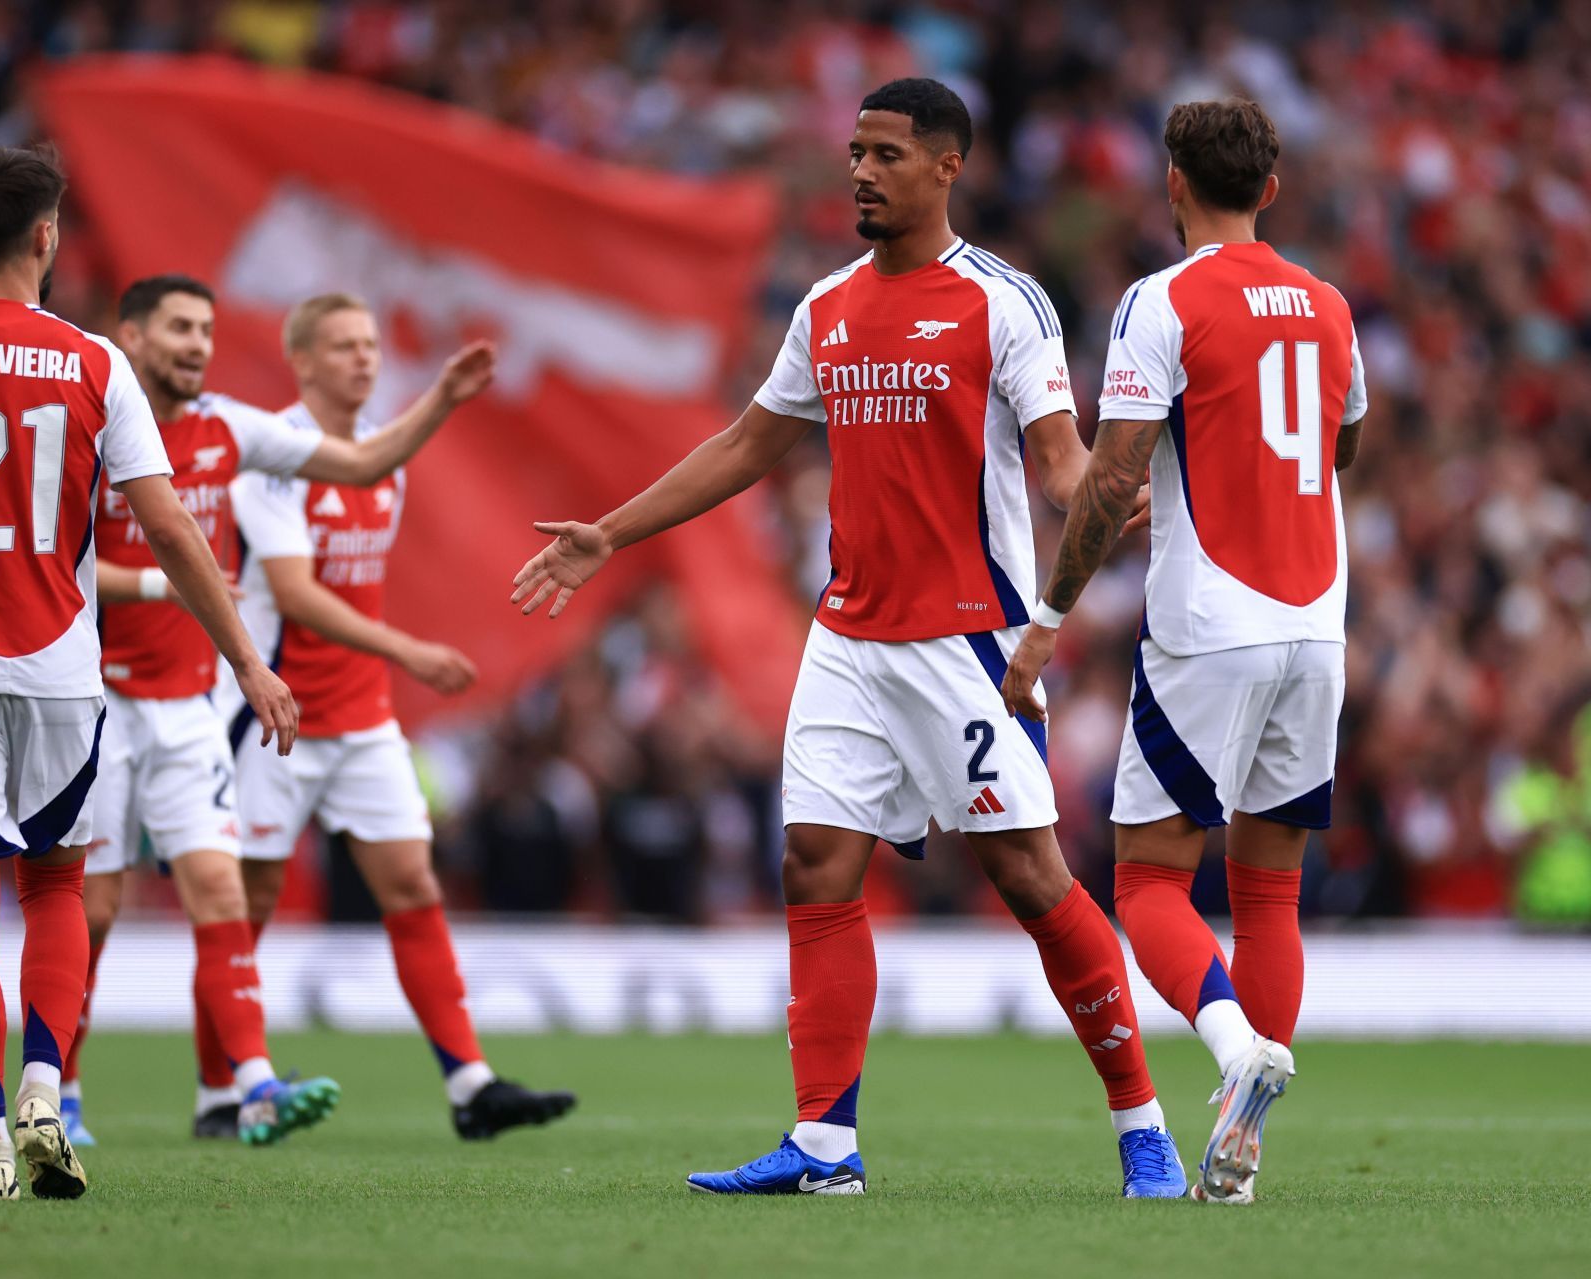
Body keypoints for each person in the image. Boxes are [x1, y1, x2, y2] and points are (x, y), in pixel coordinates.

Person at [511, 79, 1181, 1197]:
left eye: (884, 153)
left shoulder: (1001, 302)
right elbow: (745, 444)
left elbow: (1061, 461)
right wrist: (609, 534)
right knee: (814, 864)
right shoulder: (824, 305)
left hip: (969, 641)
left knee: (1029, 877)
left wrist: (1105, 493)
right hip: (850, 634)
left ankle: (1142, 1125)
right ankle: (825, 1146)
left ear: (946, 164)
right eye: (855, 152)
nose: (861, 171)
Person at [0, 146, 297, 1201]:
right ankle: (49, 1080)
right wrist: (246, 659)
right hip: (60, 670)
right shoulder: (97, 365)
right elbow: (175, 529)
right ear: (46, 237)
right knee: (56, 886)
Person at [1001, 98, 1368, 1205]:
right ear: (1270, 187)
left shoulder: (1161, 301)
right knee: (1270, 890)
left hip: (1212, 625)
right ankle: (1242, 1151)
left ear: (1171, 184)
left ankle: (1232, 1051)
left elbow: (1111, 480)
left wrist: (1048, 624)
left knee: (1149, 877)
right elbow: (1344, 439)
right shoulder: (1331, 304)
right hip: (1318, 624)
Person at [65, 275, 487, 1145]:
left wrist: (441, 397)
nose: (196, 344)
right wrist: (161, 583)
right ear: (131, 339)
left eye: (207, 330)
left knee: (219, 893)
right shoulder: (88, 429)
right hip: (96, 697)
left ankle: (250, 1086)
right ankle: (59, 1088)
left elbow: (366, 461)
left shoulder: (229, 428)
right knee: (95, 910)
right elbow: (55, 562)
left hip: (190, 704)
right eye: (178, 328)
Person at [224, 292, 576, 1140]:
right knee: (249, 897)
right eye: (343, 346)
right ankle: (226, 1085)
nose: (363, 358)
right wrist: (408, 650)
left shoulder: (391, 457)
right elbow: (299, 596)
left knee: (413, 883)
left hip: (364, 720)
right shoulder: (272, 456)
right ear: (301, 361)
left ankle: (470, 1084)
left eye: (371, 344)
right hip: (278, 715)